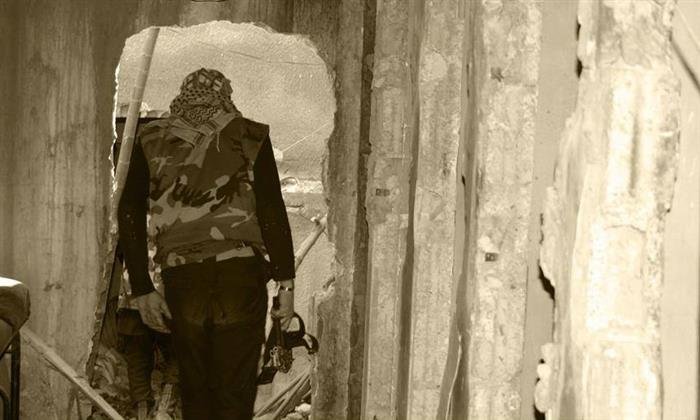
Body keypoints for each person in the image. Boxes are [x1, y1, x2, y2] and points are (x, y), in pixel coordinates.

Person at [118, 68, 296, 419]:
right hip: (240, 278)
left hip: (183, 280)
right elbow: (272, 211)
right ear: (225, 96)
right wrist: (286, 285)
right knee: (235, 394)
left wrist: (142, 287)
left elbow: (129, 211)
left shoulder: (150, 138)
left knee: (196, 391)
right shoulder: (249, 135)